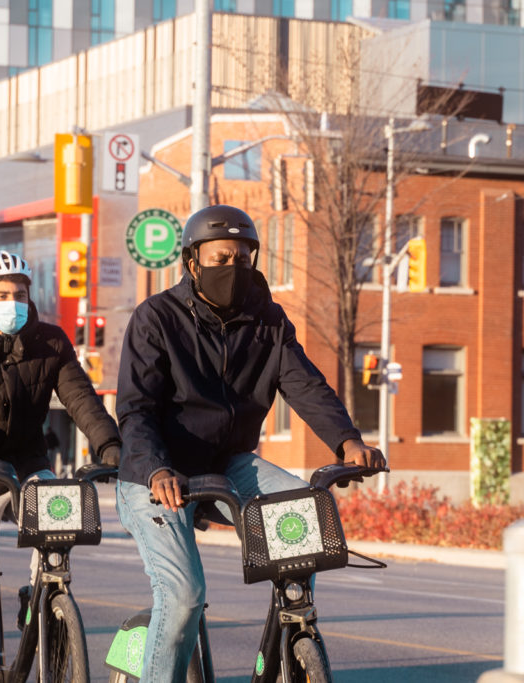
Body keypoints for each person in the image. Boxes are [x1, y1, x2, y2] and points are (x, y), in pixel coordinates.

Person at [116, 204, 385, 683]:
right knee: (182, 598)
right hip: (156, 472)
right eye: (222, 258)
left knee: (302, 515)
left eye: (243, 258)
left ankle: (290, 650)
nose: (233, 268)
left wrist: (347, 441)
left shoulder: (268, 320)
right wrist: (156, 469)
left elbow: (304, 384)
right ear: (192, 262)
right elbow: (136, 410)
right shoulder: (156, 317)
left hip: (227, 465)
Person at [0, 250, 121, 683]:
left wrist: (108, 444)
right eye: (2, 294)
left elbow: (81, 399)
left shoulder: (50, 341)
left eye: (20, 293)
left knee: (56, 543)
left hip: (29, 467)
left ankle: (40, 594)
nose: (12, 301)